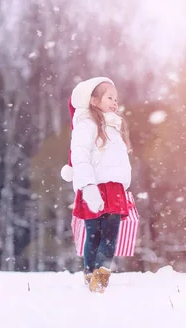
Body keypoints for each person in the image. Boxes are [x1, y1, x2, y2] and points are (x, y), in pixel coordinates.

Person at [60, 76, 132, 292]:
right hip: (94, 187)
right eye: (110, 97)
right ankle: (90, 273)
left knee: (111, 236)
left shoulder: (115, 127)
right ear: (93, 100)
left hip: (115, 189)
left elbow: (120, 161)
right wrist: (88, 187)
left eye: (116, 99)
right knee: (94, 235)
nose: (115, 102)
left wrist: (124, 183)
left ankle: (101, 276)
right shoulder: (86, 126)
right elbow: (79, 156)